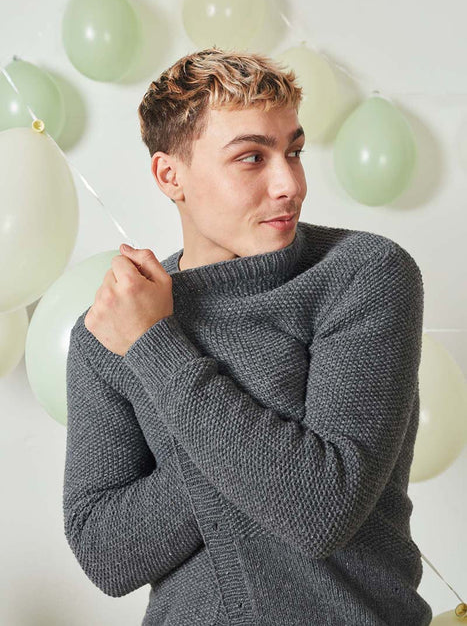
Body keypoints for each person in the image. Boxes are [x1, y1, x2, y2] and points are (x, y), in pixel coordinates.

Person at [63, 47, 433, 625]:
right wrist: (271, 452)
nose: (290, 184)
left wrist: (157, 348)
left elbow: (321, 508)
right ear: (170, 176)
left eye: (294, 152)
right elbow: (107, 556)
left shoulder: (363, 275)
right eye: (252, 158)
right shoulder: (112, 328)